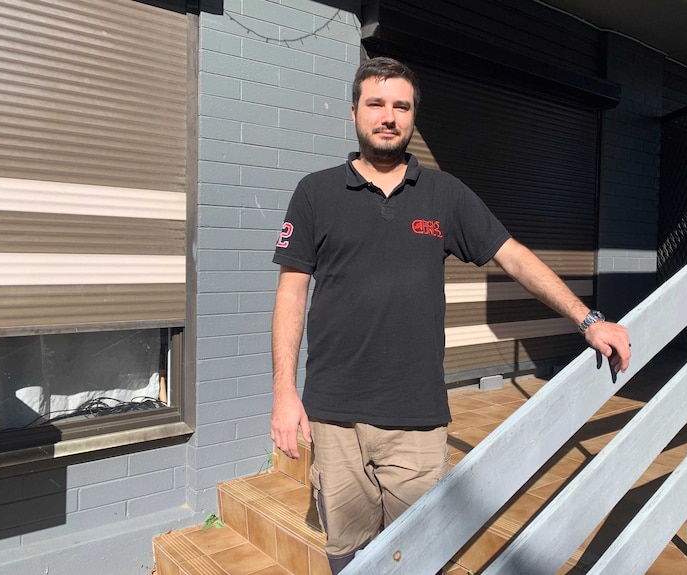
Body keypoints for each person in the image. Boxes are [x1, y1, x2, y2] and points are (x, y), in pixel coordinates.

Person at [270, 57, 631, 574]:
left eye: (402, 106)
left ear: (413, 117)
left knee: (419, 556)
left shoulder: (444, 194)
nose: (389, 116)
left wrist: (587, 318)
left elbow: (514, 257)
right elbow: (291, 293)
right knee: (347, 555)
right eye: (376, 103)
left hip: (416, 420)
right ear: (354, 112)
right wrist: (285, 394)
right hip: (334, 415)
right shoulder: (315, 193)